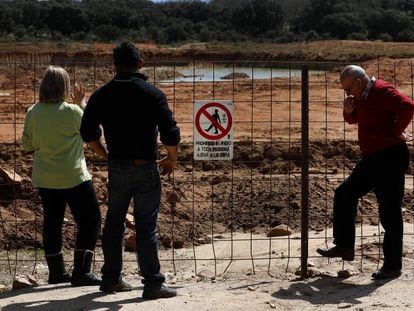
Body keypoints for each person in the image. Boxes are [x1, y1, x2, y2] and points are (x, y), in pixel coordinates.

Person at [80, 42, 180, 299]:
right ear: (141, 63)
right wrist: (171, 158)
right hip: (145, 167)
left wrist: (107, 155)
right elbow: (170, 132)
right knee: (147, 226)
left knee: (113, 224)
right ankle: (153, 284)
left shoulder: (101, 95)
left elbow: (88, 134)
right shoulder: (153, 94)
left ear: (114, 66)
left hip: (117, 168)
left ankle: (111, 278)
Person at [317, 65, 414, 279]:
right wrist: (348, 110)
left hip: (390, 156)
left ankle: (392, 266)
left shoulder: (382, 91)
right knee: (344, 194)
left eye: (349, 90)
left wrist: (396, 131)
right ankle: (344, 246)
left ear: (359, 83)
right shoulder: (362, 96)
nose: (348, 94)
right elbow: (355, 119)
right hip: (373, 158)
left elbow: (408, 106)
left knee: (389, 212)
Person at [21, 66, 102, 286]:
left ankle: (57, 272)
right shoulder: (73, 111)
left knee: (52, 222)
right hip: (74, 176)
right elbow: (93, 130)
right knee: (90, 220)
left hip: (45, 178)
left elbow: (27, 144)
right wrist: (82, 103)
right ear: (65, 87)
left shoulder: (32, 111)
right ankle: (82, 272)